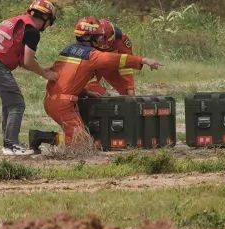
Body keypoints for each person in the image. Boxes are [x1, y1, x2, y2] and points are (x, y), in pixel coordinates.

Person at [44, 15, 160, 144]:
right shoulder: (92, 56)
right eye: (98, 37)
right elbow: (117, 59)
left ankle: (67, 137)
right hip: (62, 104)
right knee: (81, 143)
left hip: (53, 100)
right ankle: (42, 137)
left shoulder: (67, 50)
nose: (101, 40)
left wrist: (86, 92)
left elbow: (68, 80)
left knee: (83, 138)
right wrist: (144, 60)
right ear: (88, 37)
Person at [0, 0, 58, 156]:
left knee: (10, 102)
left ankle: (9, 143)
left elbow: (21, 60)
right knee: (17, 104)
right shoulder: (33, 31)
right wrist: (46, 75)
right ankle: (11, 145)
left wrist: (42, 69)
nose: (48, 26)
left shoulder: (18, 21)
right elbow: (28, 61)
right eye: (50, 22)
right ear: (46, 18)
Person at [85, 19, 137, 97]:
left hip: (111, 67)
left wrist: (130, 88)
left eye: (108, 41)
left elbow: (127, 65)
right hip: (93, 67)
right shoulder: (86, 42)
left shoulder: (122, 39)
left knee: (128, 95)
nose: (104, 45)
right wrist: (101, 93)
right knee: (92, 94)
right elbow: (85, 74)